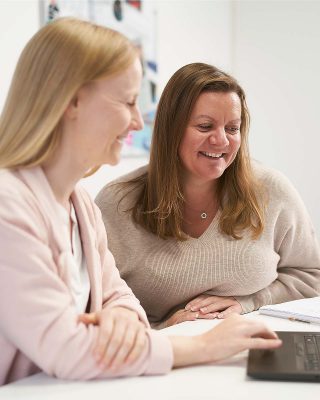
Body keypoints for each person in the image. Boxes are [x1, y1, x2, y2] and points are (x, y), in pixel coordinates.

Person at [0, 18, 282, 386]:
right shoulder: (8, 207)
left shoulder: (79, 205)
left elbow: (123, 302)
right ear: (72, 100)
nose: (137, 122)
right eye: (129, 101)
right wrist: (203, 347)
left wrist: (118, 319)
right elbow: (66, 351)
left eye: (232, 128)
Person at [96, 62, 320, 329]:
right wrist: (163, 330)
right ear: (171, 130)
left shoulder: (272, 190)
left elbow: (312, 276)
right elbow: (95, 310)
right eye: (205, 126)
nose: (222, 141)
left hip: (251, 347)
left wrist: (247, 302)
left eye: (232, 128)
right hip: (163, 357)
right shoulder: (117, 203)